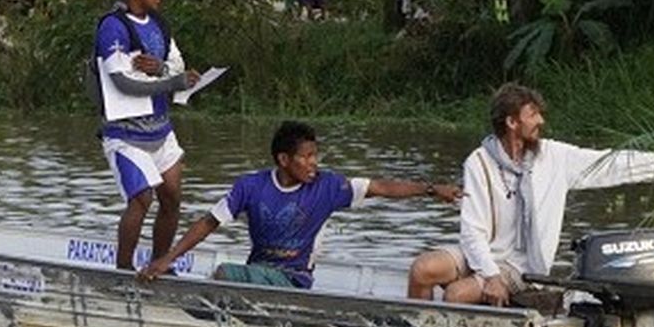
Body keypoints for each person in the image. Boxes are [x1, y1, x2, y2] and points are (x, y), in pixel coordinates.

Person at [406, 84, 654, 306]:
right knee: (423, 269)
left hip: (521, 264)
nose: (541, 121)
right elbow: (472, 231)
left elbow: (614, 164)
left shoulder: (554, 157)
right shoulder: (478, 162)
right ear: (512, 123)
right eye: (533, 115)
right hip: (483, 254)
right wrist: (489, 275)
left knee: (455, 295)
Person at [140, 121, 462, 287]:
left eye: (314, 155)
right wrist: (167, 258)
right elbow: (208, 222)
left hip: (294, 281)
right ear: (283, 159)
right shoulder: (250, 186)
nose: (313, 163)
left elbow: (381, 187)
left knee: (224, 272)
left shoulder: (328, 186)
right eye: (305, 157)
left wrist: (432, 189)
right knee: (227, 275)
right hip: (258, 274)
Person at [95, 0, 201, 272]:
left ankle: (158, 264)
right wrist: (171, 81)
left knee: (171, 199)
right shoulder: (113, 27)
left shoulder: (159, 23)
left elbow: (176, 66)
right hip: (125, 134)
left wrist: (164, 71)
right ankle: (124, 270)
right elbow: (123, 81)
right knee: (142, 200)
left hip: (160, 130)